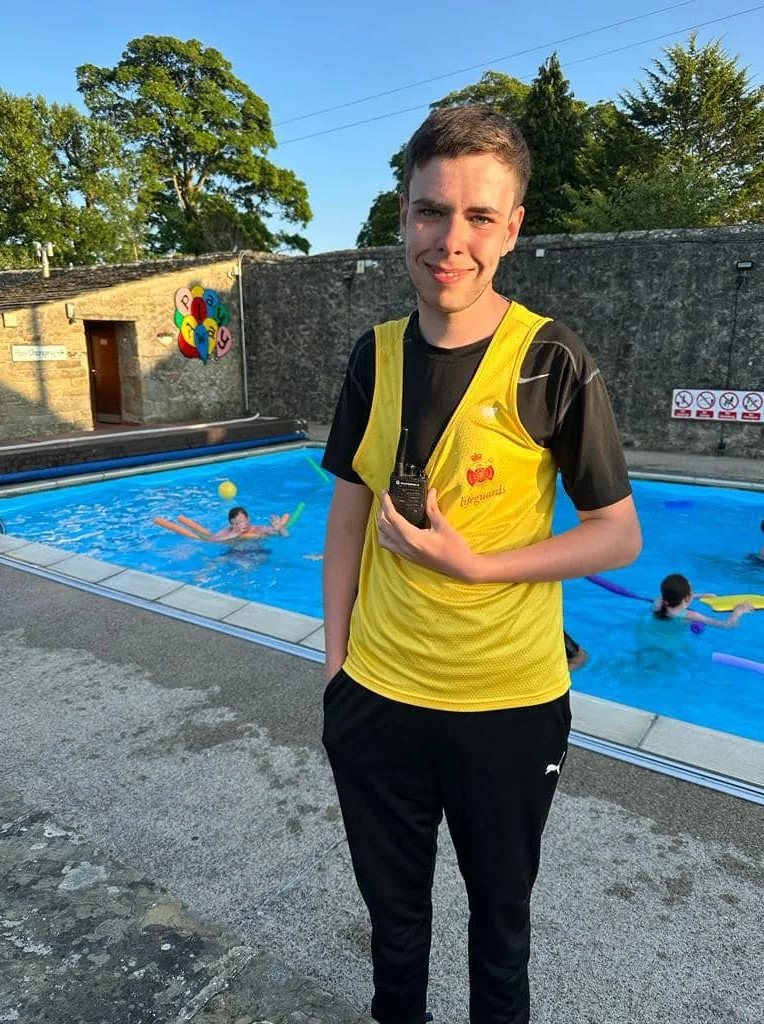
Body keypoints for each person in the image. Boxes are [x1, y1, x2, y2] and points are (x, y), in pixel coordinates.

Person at [320, 104, 642, 1024]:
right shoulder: (374, 358)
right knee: (394, 928)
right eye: (431, 211)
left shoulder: (550, 359)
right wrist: (337, 669)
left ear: (512, 228)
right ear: (404, 215)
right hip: (377, 699)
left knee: (501, 930)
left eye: (478, 216)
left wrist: (477, 568)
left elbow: (617, 535)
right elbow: (347, 517)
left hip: (508, 708)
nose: (450, 240)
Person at [653, 573, 753, 628]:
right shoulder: (691, 615)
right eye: (692, 592)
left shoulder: (658, 603)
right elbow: (727, 625)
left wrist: (701, 595)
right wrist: (738, 611)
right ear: (687, 598)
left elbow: (674, 595)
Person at [206, 506, 289, 542]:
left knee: (246, 566)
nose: (241, 526)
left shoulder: (258, 529)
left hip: (257, 552)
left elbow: (286, 536)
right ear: (231, 524)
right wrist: (233, 534)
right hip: (235, 553)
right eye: (237, 524)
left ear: (248, 519)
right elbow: (210, 540)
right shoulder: (229, 531)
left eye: (243, 522)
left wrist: (280, 529)